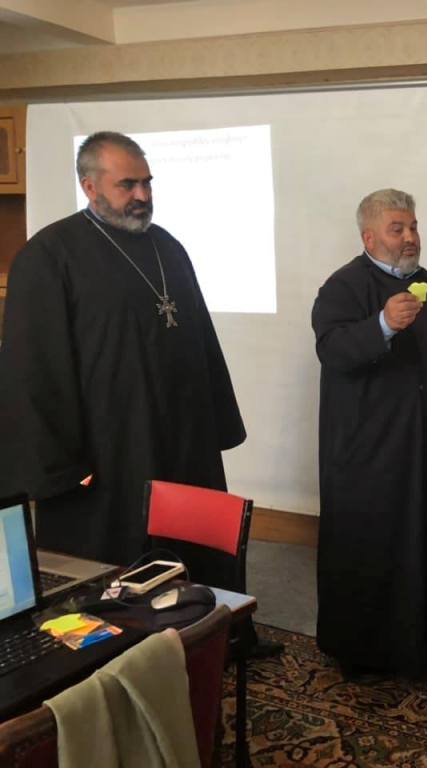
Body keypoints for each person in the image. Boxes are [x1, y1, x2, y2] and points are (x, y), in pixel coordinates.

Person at [0, 131, 246, 566]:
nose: (142, 196)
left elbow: (202, 341)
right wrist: (61, 468)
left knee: (195, 569)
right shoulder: (49, 256)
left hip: (184, 442)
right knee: (117, 577)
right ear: (90, 187)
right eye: (127, 185)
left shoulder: (168, 247)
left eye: (147, 183)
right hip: (109, 455)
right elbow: (33, 373)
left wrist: (215, 426)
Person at [312, 188, 427, 676]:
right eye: (397, 229)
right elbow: (332, 349)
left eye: (413, 227)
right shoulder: (342, 287)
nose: (410, 238)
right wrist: (382, 325)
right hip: (373, 448)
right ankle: (371, 652)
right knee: (376, 541)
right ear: (369, 238)